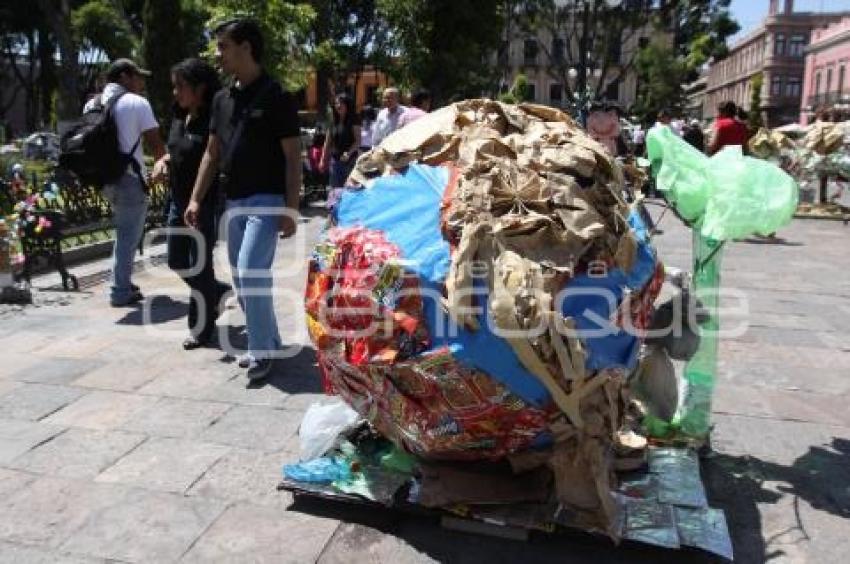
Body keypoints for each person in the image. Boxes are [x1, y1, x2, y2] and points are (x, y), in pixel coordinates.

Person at [184, 18, 302, 381]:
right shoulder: (221, 99)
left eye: (223, 47)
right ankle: (271, 337)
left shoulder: (277, 96)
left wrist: (292, 208)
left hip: (267, 199)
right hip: (232, 201)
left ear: (246, 47)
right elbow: (212, 152)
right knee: (241, 276)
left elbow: (293, 156)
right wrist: (194, 199)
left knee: (251, 270)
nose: (218, 55)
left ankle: (261, 349)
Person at [151, 58, 230, 350]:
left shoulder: (213, 119)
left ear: (200, 88)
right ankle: (215, 292)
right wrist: (163, 161)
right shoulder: (178, 115)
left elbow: (211, 158)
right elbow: (176, 150)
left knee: (199, 264)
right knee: (176, 260)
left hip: (204, 201)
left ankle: (201, 328)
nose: (175, 93)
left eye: (181, 87)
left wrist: (197, 200)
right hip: (177, 200)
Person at [98, 58, 166, 307]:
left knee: (124, 233)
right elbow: (155, 142)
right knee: (129, 235)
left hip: (103, 180)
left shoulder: (92, 103)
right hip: (128, 178)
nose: (142, 81)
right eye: (138, 76)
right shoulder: (136, 102)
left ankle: (122, 280)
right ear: (125, 77)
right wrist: (163, 167)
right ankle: (120, 291)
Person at [320, 93, 361, 190]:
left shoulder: (354, 120)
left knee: (350, 190)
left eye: (341, 103)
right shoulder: (333, 121)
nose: (338, 106)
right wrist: (323, 159)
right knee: (334, 190)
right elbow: (327, 142)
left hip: (350, 161)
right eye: (336, 103)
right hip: (335, 161)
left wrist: (348, 153)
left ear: (347, 105)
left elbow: (358, 141)